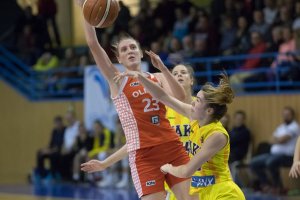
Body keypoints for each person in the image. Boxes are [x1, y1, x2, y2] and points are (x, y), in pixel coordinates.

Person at [75, 0, 191, 199]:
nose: (129, 51)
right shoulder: (116, 79)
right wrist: (85, 10)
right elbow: (94, 45)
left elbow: (181, 97)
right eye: (124, 50)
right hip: (143, 155)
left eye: (133, 48)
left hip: (172, 146)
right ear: (119, 59)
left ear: (140, 54)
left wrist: (163, 67)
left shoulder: (158, 77)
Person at [115, 72, 245, 199]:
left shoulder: (216, 135)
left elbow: (187, 171)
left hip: (224, 193)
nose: (193, 102)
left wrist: (168, 168)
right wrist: (141, 78)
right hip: (203, 193)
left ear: (209, 110)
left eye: (198, 100)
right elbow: (163, 97)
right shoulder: (195, 119)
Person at [250, 107, 300, 193]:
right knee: (254, 162)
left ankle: (278, 187)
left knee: (271, 162)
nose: (285, 116)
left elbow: (283, 140)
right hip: (273, 154)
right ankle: (266, 185)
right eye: (284, 115)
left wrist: (278, 140)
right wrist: (278, 140)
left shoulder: (295, 126)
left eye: (287, 115)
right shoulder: (281, 127)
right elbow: (270, 140)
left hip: (287, 156)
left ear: (292, 115)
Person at [165, 64, 195, 200]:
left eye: (183, 72)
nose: (179, 75)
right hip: (174, 175)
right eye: (175, 74)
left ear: (192, 80)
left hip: (199, 174)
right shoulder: (164, 109)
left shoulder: (201, 107)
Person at [34, 115, 65, 182]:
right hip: (52, 149)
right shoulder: (54, 131)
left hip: (59, 151)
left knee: (53, 155)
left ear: (61, 123)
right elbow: (51, 143)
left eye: (59, 123)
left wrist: (51, 150)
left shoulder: (65, 131)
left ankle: (53, 174)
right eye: (56, 123)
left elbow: (62, 145)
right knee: (40, 153)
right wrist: (46, 149)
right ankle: (41, 174)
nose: (57, 124)